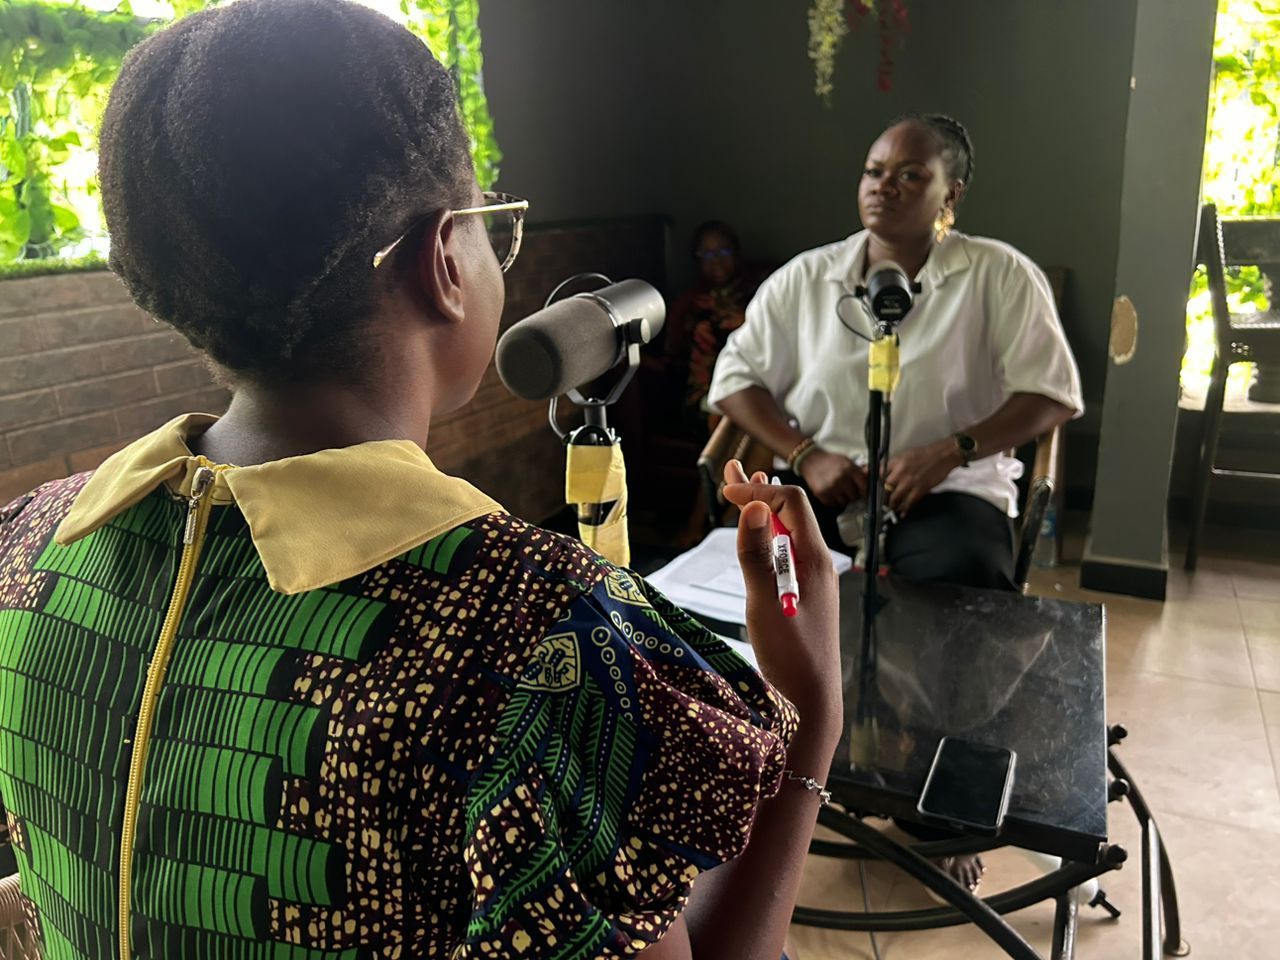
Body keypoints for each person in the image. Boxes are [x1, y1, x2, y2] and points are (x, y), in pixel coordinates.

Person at [0, 3, 841, 959]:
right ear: (446, 261)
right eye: (491, 226)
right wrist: (809, 715)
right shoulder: (530, 648)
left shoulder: (28, 548)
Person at [709, 113, 1083, 888]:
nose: (886, 185)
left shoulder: (998, 275)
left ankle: (944, 810)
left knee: (961, 594)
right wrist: (805, 454)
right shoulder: (808, 279)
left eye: (911, 174)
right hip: (821, 488)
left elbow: (1053, 393)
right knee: (760, 598)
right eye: (875, 170)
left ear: (953, 195)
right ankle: (800, 777)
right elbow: (733, 379)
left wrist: (952, 450)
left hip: (946, 494)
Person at [662, 222, 768, 440]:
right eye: (707, 254)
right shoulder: (688, 304)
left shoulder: (761, 292)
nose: (716, 261)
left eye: (723, 251)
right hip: (705, 393)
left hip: (759, 384)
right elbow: (673, 355)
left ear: (737, 253)